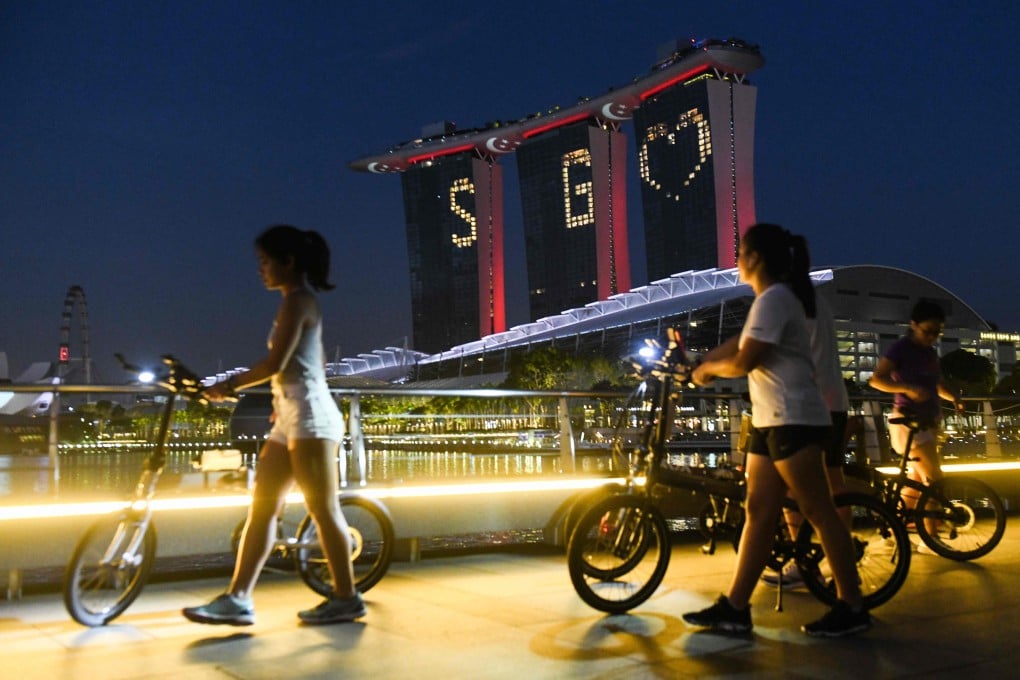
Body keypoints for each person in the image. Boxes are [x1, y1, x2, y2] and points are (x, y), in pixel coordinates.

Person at [682, 223, 870, 637]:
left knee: (818, 510)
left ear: (755, 258)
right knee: (759, 511)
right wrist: (702, 362)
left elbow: (745, 360)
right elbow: (740, 345)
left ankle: (852, 605)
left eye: (740, 253)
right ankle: (735, 607)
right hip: (770, 419)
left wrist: (707, 370)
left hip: (793, 418)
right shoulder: (773, 300)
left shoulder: (776, 298)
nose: (736, 261)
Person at [183, 224, 363, 626]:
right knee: (263, 506)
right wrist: (282, 404)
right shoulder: (293, 303)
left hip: (312, 418)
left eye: (265, 262)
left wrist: (227, 385)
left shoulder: (299, 302)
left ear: (289, 261)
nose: (260, 269)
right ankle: (238, 599)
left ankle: (347, 597)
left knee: (322, 509)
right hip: (292, 416)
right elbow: (304, 365)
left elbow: (274, 364)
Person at [761, 269, 853, 588]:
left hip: (807, 404)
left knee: (794, 489)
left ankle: (804, 565)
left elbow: (762, 350)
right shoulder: (817, 300)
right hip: (835, 400)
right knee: (834, 484)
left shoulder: (782, 301)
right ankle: (844, 557)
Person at [867, 300, 963, 530]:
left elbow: (936, 385)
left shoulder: (930, 353)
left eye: (937, 333)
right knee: (935, 481)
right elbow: (876, 379)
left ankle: (895, 527)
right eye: (927, 331)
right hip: (908, 423)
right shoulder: (900, 349)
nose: (932, 337)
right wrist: (907, 388)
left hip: (928, 423)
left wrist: (954, 398)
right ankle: (931, 536)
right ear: (913, 325)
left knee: (917, 481)